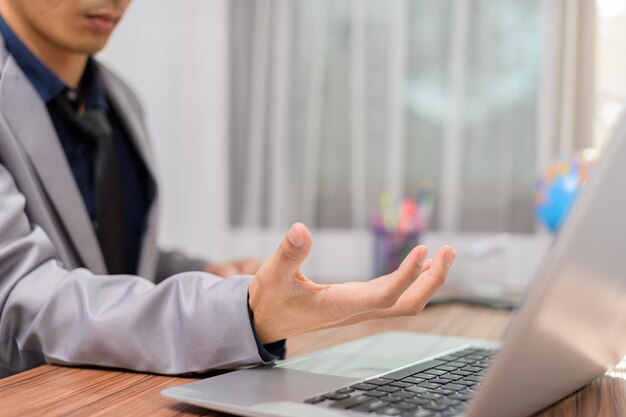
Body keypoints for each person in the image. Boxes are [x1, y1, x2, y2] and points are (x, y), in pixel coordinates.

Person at [0, 0, 456, 378]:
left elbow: (109, 258)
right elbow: (23, 301)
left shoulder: (119, 101)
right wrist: (237, 310)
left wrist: (205, 274)